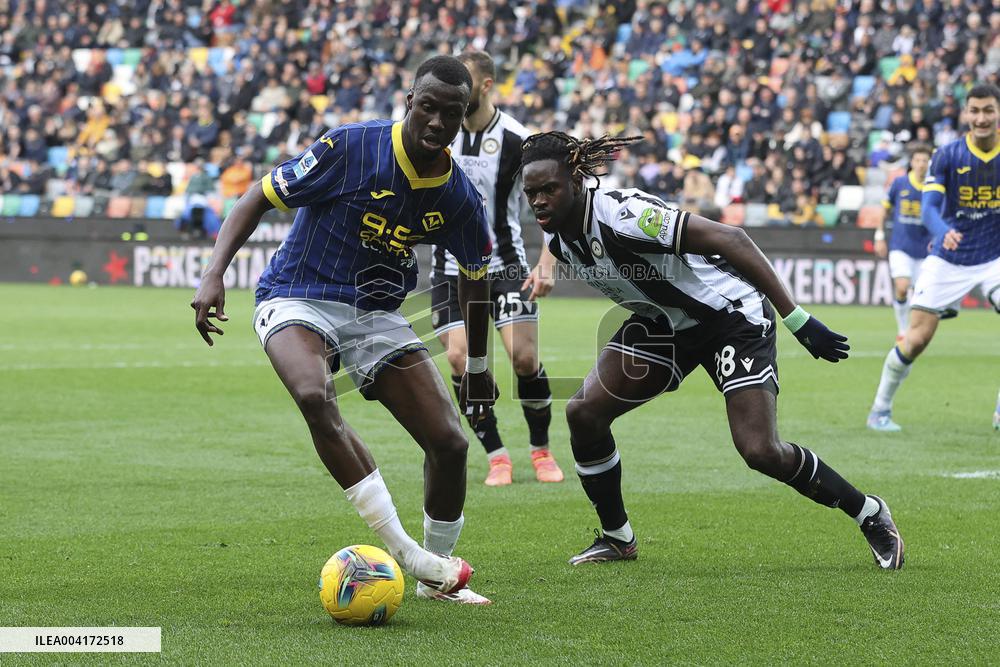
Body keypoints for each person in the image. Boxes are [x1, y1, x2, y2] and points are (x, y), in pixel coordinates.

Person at [519, 131, 905, 570]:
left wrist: (796, 318)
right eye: (532, 193)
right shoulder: (560, 233)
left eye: (549, 189)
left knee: (760, 451)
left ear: (575, 179)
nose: (539, 201)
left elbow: (734, 239)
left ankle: (869, 513)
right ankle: (617, 538)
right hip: (663, 324)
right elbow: (558, 246)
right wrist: (544, 267)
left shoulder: (626, 216)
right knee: (584, 412)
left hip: (729, 317)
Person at [190, 56, 499, 605]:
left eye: (450, 114)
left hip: (376, 316)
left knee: (450, 443)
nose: (435, 122)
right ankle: (408, 554)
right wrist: (215, 273)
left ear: (462, 119)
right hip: (296, 295)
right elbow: (258, 196)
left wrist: (476, 369)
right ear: (408, 100)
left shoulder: (458, 197)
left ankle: (438, 580)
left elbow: (476, 280)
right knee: (314, 393)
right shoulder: (350, 148)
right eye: (427, 106)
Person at [430, 50, 563, 487]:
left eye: (464, 82)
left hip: (505, 264)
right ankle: (496, 455)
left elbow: (554, 203)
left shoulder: (515, 140)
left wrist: (547, 259)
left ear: (486, 86)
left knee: (523, 358)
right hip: (450, 267)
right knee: (459, 356)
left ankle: (541, 450)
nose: (454, 91)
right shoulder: (434, 134)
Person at [867, 84, 1000, 432]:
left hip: (994, 257)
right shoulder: (947, 155)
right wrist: (942, 231)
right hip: (949, 257)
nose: (981, 118)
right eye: (975, 110)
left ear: (997, 113)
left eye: (988, 110)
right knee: (916, 339)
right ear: (966, 113)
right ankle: (879, 410)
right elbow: (928, 210)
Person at [873, 143, 934, 339]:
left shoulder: (935, 187)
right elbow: (884, 209)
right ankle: (902, 330)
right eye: (917, 160)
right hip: (901, 245)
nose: (921, 164)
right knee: (901, 287)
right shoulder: (899, 183)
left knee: (919, 295)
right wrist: (879, 236)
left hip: (925, 248)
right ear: (912, 162)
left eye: (925, 160)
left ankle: (914, 331)